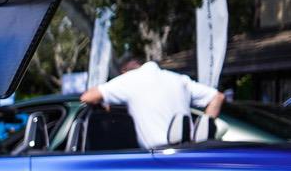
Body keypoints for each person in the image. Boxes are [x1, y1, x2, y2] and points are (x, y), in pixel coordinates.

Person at [80, 56, 224, 149]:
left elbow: (88, 97)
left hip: (156, 157)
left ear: (124, 71)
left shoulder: (130, 80)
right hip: (191, 152)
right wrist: (202, 132)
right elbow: (217, 97)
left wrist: (103, 107)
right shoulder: (179, 79)